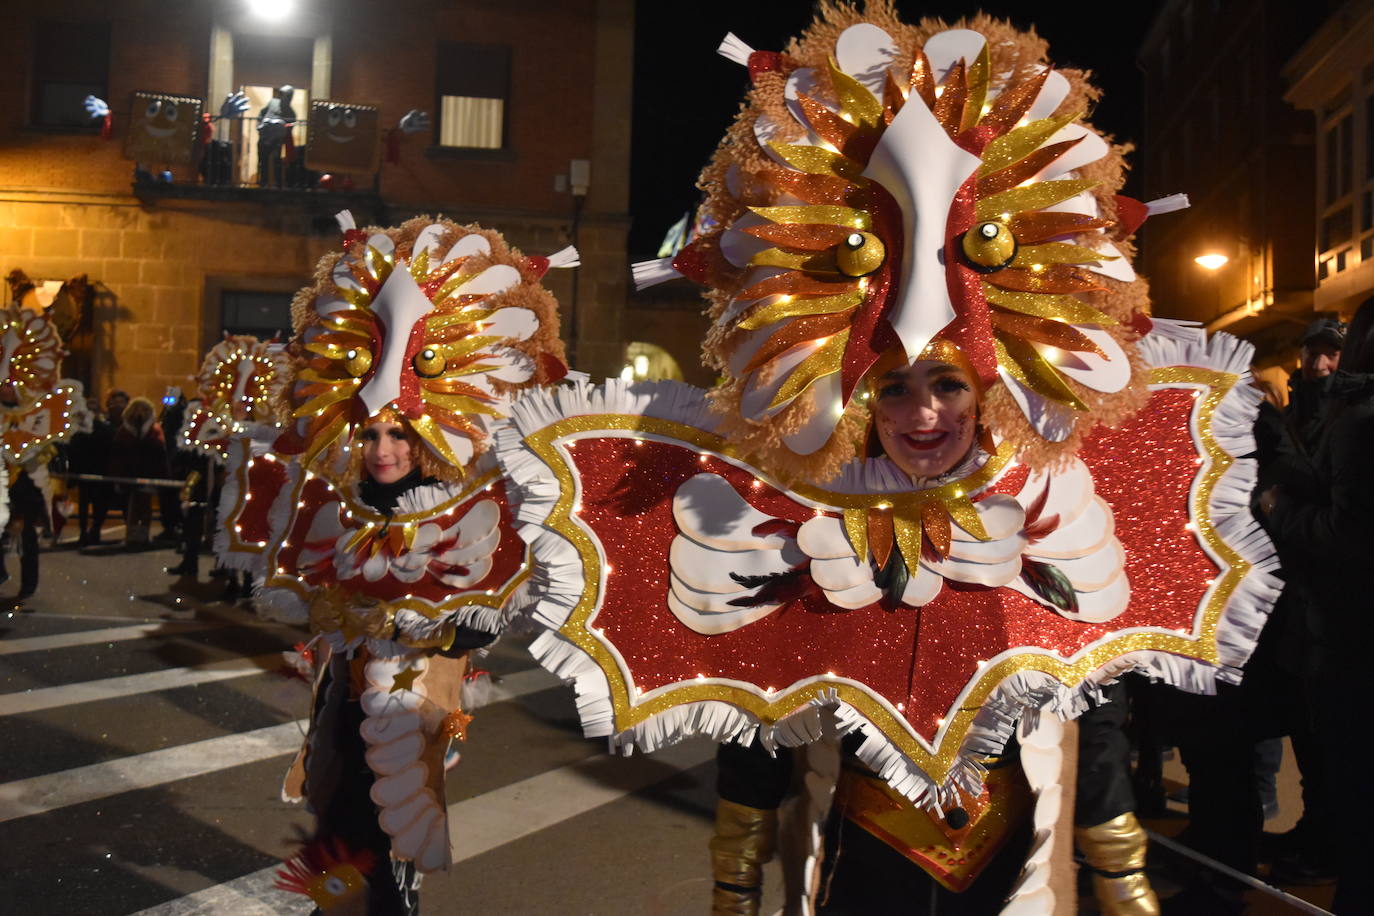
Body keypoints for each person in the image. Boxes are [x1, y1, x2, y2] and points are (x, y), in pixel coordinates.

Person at [1262, 298, 1374, 913]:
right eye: (1315, 350)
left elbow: (1347, 533)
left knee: (1351, 779)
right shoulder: (1339, 412)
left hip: (1347, 634)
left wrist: (1283, 510)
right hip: (1333, 629)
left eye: (1341, 344)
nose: (1325, 361)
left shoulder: (1360, 420)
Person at [108, 396, 169, 547]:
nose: (139, 412)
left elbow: (159, 450)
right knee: (131, 504)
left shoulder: (154, 429)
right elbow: (118, 451)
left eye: (143, 409)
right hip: (129, 471)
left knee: (144, 503)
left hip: (147, 470)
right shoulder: (125, 428)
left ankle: (143, 534)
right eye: (137, 408)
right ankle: (132, 533)